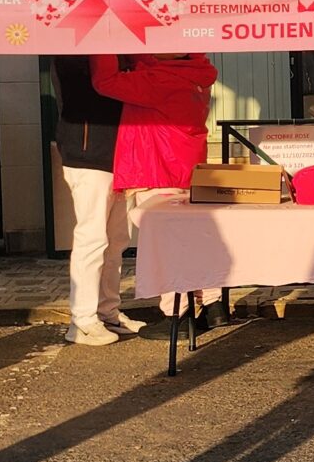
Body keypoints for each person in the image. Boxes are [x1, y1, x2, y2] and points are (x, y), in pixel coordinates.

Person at [93, 52, 222, 332]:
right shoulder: (196, 73)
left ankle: (177, 314)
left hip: (158, 168)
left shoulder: (159, 79)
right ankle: (213, 305)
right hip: (186, 166)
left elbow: (105, 82)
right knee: (192, 240)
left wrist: (103, 43)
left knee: (166, 247)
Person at [52, 56, 142, 347]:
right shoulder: (74, 50)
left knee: (117, 239)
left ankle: (107, 312)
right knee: (92, 238)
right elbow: (90, 87)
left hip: (120, 155)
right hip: (88, 154)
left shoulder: (119, 49)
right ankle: (83, 320)